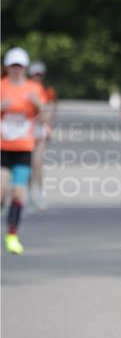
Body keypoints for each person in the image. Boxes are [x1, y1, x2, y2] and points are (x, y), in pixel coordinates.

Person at [1, 47, 46, 254]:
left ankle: (12, 234)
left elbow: (44, 119)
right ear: (7, 67)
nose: (16, 70)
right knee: (1, 191)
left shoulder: (34, 89)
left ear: (25, 68)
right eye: (13, 66)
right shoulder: (1, 87)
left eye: (20, 66)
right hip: (3, 146)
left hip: (23, 147)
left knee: (19, 194)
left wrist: (38, 106)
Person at [27, 61, 57, 211]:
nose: (37, 77)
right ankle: (26, 195)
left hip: (40, 131)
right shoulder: (24, 89)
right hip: (24, 132)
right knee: (25, 165)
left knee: (37, 164)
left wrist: (39, 105)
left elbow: (49, 113)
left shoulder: (47, 91)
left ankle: (39, 193)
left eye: (39, 75)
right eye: (34, 75)